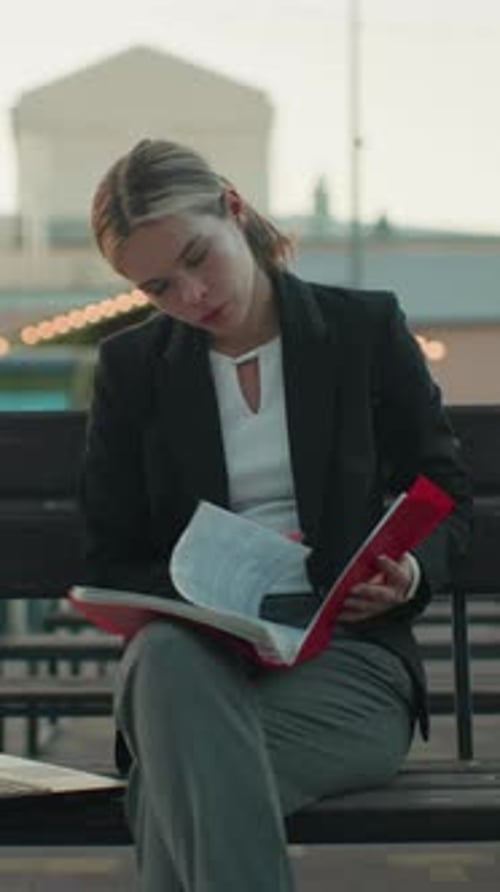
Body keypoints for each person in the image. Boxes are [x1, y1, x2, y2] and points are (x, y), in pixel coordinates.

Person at [83, 138, 472, 892]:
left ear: (234, 207)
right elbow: (111, 555)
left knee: (173, 779)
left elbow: (448, 499)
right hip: (199, 663)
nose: (192, 295)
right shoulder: (134, 370)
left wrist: (412, 572)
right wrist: (204, 590)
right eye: (160, 287)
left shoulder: (362, 330)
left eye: (198, 257)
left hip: (350, 666)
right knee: (163, 662)